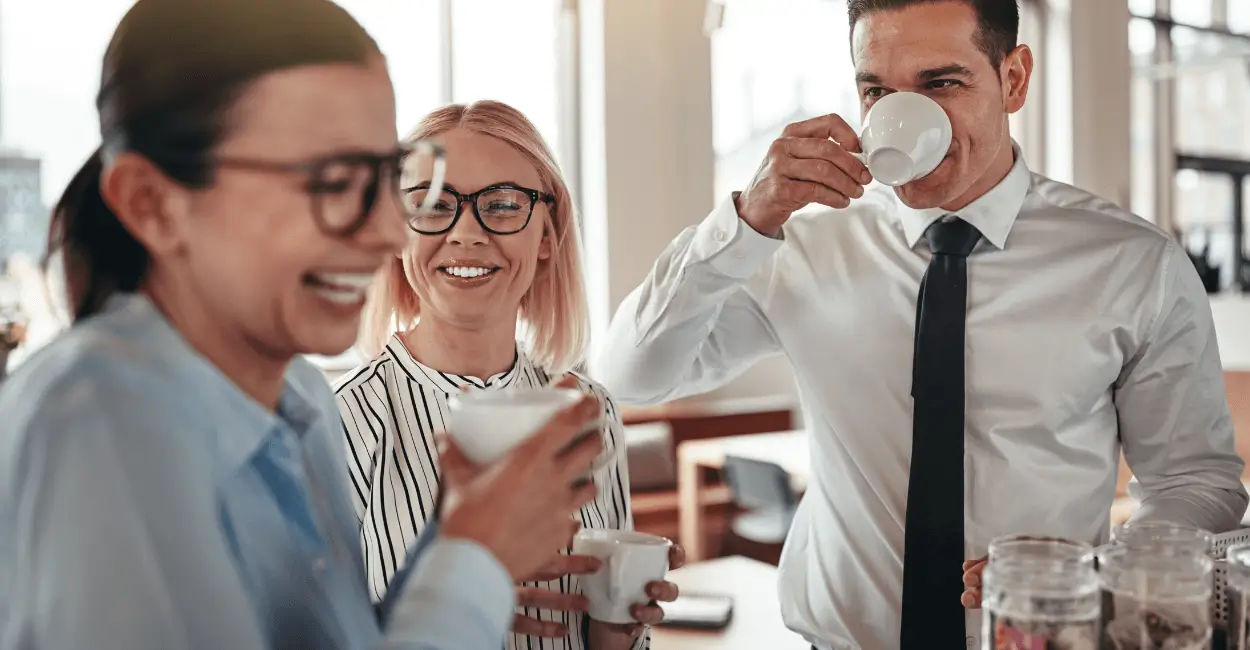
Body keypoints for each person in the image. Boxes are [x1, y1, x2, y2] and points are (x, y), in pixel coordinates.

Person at [592, 0, 1248, 648]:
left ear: (1013, 79)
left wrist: (1089, 578)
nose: (902, 118)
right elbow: (632, 374)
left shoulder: (1133, 263)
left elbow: (1196, 483)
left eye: (941, 83)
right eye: (877, 90)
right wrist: (740, 222)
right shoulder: (800, 249)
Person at [0, 2, 606, 649]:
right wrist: (473, 563)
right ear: (154, 206)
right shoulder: (97, 425)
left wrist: (450, 542)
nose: (390, 233)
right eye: (331, 181)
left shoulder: (303, 401)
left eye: (384, 177)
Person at [336, 100, 683, 650]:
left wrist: (617, 626)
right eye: (431, 204)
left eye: (500, 205)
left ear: (546, 235)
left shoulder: (590, 410)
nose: (467, 233)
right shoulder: (339, 423)